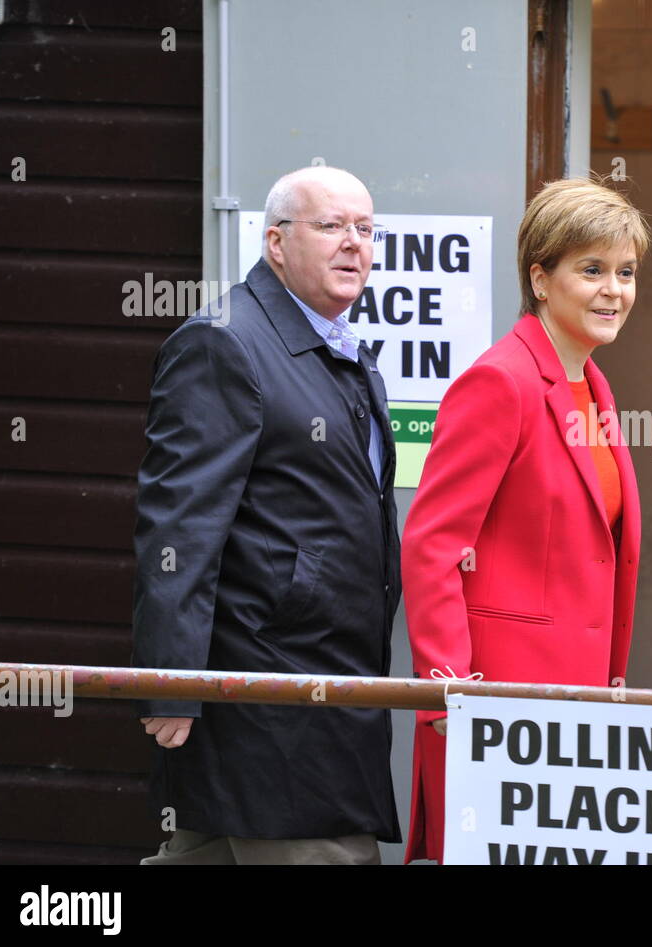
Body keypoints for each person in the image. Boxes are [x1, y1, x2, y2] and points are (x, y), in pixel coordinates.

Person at [131, 166, 401, 864]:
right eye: (332, 226)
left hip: (319, 690)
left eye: (365, 229)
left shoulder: (337, 348)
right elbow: (178, 526)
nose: (354, 245)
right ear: (276, 243)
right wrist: (171, 679)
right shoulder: (225, 341)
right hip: (272, 697)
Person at [399, 177, 652, 864]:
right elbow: (431, 546)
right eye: (591, 269)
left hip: (575, 711)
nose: (613, 289)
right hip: (497, 713)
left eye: (625, 272)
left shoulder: (596, 387)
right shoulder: (501, 381)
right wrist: (450, 694)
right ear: (541, 279)